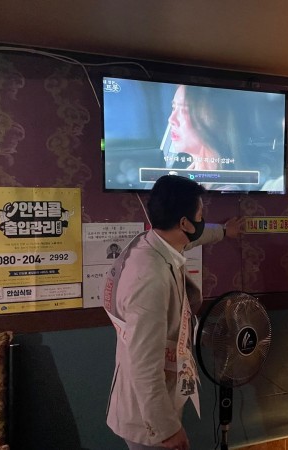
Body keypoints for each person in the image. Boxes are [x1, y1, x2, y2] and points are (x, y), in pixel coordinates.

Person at [103, 175, 244, 450]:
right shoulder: (150, 277)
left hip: (154, 405)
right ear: (184, 223)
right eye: (200, 215)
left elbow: (194, 238)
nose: (202, 220)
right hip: (147, 422)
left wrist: (224, 232)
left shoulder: (155, 243)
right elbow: (144, 363)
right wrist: (167, 430)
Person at [164, 84, 284, 191]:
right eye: (174, 108)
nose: (171, 119)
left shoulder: (229, 190)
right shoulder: (184, 175)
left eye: (185, 110)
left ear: (213, 118)